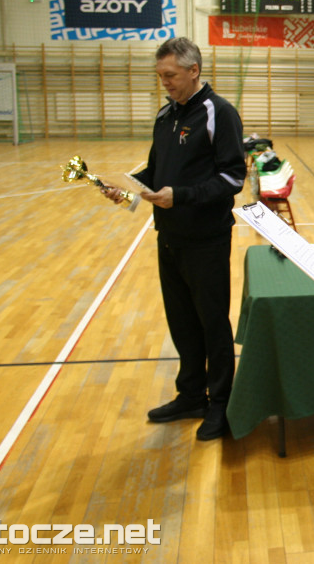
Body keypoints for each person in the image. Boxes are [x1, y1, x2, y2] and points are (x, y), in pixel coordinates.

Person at [102, 37, 246, 441]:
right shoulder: (166, 115)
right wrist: (127, 188)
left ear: (193, 70)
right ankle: (190, 395)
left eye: (170, 75)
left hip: (207, 239)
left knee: (212, 323)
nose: (164, 82)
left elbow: (233, 177)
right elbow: (155, 171)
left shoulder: (220, 113)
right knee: (182, 322)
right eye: (160, 75)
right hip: (169, 236)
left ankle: (221, 403)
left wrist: (179, 196)